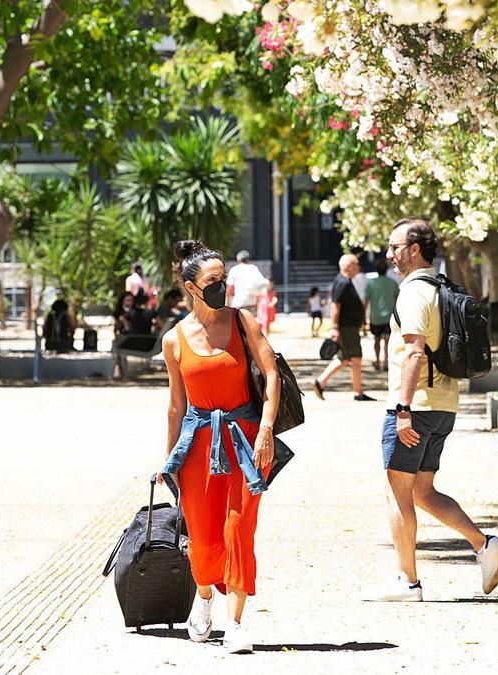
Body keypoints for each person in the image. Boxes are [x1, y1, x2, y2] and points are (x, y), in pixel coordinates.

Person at [158, 239, 286, 655]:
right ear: (192, 287)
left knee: (237, 530)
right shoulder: (174, 340)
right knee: (202, 534)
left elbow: (271, 376)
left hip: (246, 443)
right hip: (197, 446)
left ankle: (235, 623)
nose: (223, 286)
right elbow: (176, 405)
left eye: (224, 278)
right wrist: (168, 459)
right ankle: (204, 596)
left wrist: (266, 429)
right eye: (214, 280)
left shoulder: (242, 322)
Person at [369, 217, 498, 602]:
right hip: (444, 405)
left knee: (397, 492)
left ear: (414, 249)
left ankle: (407, 581)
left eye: (395, 246)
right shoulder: (442, 285)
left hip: (416, 406)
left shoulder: (413, 293)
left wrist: (402, 409)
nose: (390, 254)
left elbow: (414, 352)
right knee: (423, 491)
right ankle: (484, 544)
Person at [313, 254, 373, 402]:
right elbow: (335, 305)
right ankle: (358, 392)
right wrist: (334, 327)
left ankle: (321, 382)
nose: (359, 267)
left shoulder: (345, 281)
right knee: (355, 357)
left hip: (349, 326)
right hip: (346, 327)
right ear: (350, 266)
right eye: (357, 264)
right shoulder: (343, 282)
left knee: (345, 358)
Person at [364, 258, 400, 371]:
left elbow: (366, 301)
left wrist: (363, 316)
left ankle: (378, 360)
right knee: (388, 340)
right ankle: (386, 362)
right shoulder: (392, 283)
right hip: (389, 316)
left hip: (375, 317)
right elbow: (398, 299)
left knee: (377, 339)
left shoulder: (371, 283)